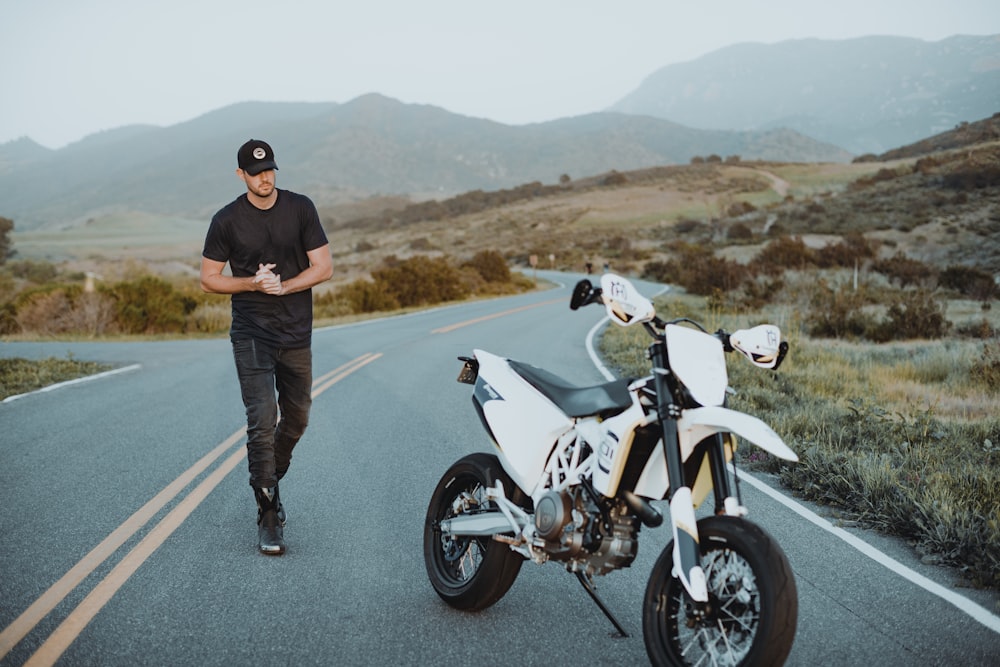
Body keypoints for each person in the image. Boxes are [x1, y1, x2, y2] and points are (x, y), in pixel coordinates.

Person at [200, 139, 333, 555]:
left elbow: (324, 267)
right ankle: (269, 512)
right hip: (251, 332)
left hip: (295, 332)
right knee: (262, 418)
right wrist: (252, 284)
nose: (265, 178)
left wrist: (285, 287)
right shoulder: (226, 220)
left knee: (296, 420)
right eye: (256, 172)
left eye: (270, 170)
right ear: (241, 174)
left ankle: (269, 473)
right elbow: (209, 278)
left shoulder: (300, 208)